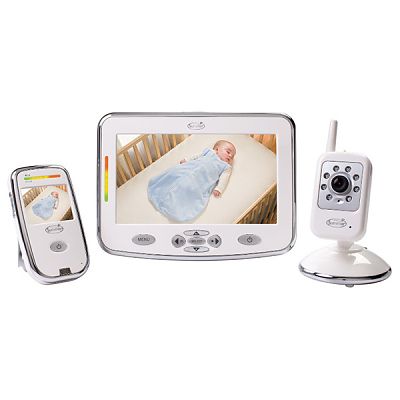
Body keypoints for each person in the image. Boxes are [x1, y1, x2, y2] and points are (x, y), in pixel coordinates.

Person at [148, 140, 236, 222]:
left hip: (200, 181)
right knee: (174, 173)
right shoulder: (209, 152)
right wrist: (187, 159)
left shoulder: (225, 167)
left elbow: (225, 178)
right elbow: (197, 156)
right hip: (188, 169)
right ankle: (162, 192)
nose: (230, 156)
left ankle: (173, 205)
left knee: (187, 189)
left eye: (232, 156)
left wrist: (219, 188)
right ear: (217, 149)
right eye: (228, 152)